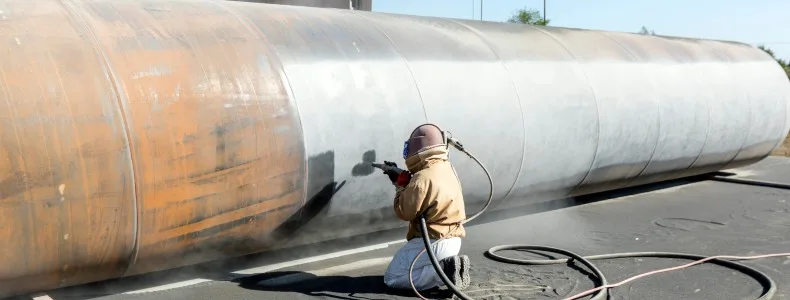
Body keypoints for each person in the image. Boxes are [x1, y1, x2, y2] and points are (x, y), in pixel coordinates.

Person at [381, 123, 471, 291]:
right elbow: (429, 194)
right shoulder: (447, 167)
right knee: (412, 269)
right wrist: (407, 182)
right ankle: (449, 266)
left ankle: (444, 271)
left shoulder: (422, 178)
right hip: (453, 240)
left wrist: (399, 187)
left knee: (392, 278)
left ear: (418, 148)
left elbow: (405, 212)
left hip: (433, 243)